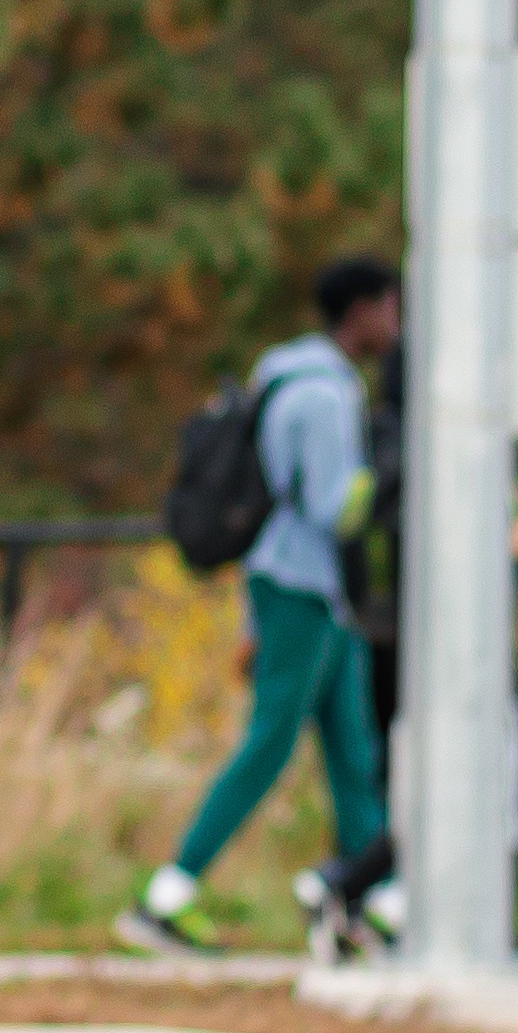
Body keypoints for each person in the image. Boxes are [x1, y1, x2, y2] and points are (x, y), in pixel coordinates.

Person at [120, 256, 399, 952]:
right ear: (360, 312)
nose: (396, 323)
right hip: (300, 587)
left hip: (317, 593)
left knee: (351, 751)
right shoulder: (324, 397)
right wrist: (398, 470)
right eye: (390, 307)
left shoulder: (288, 378)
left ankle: (378, 900)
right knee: (270, 743)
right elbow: (334, 507)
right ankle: (169, 892)